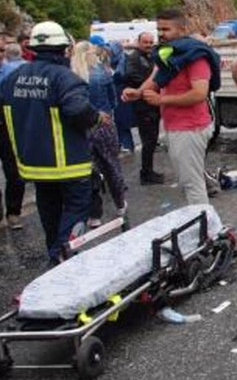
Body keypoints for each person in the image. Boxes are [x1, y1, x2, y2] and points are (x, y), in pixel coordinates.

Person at [0, 21, 107, 264]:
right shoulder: (65, 78)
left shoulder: (13, 78)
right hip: (68, 163)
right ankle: (63, 256)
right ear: (64, 49)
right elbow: (78, 110)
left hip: (33, 163)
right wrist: (96, 117)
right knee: (77, 208)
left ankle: (55, 250)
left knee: (49, 209)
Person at [122, 8, 220, 205]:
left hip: (191, 127)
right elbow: (155, 79)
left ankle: (204, 221)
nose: (161, 34)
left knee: (192, 184)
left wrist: (162, 100)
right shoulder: (168, 54)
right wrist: (138, 92)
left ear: (182, 29)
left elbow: (200, 94)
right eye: (159, 29)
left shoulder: (195, 57)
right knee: (188, 180)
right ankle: (201, 216)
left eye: (166, 29)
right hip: (175, 125)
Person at [71, 41, 127, 226]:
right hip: (104, 124)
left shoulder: (72, 76)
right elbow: (113, 100)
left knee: (89, 170)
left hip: (82, 127)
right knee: (112, 165)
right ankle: (120, 203)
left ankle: (94, 214)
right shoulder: (102, 72)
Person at [124, 32, 165, 185]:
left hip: (152, 104)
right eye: (145, 42)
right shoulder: (134, 58)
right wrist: (151, 84)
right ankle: (146, 174)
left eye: (150, 42)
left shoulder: (150, 56)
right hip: (143, 105)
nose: (148, 45)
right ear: (138, 42)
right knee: (148, 141)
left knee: (152, 140)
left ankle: (149, 171)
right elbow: (132, 76)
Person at [0, 43, 27, 230]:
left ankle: (14, 212)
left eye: (1, 50)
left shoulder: (12, 72)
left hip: (8, 127)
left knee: (15, 173)